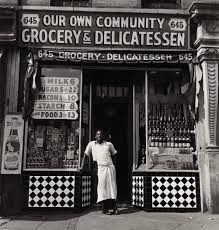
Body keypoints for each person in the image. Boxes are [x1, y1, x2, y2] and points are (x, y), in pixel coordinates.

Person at [80, 129, 118, 215]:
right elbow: (85, 155)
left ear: (104, 136)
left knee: (112, 188)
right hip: (100, 168)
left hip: (110, 168)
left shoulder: (108, 144)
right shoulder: (91, 144)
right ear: (95, 136)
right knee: (102, 189)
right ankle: (104, 208)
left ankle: (114, 207)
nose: (99, 136)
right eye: (97, 134)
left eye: (101, 134)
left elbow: (115, 154)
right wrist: (82, 166)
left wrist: (113, 165)